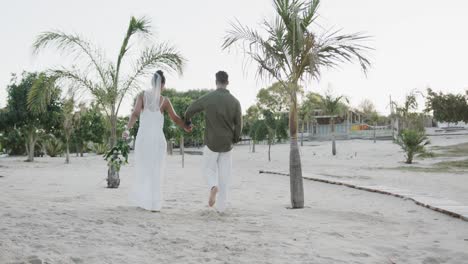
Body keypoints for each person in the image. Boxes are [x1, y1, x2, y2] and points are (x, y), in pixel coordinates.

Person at [123, 70, 191, 212]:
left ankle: (144, 201)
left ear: (152, 83)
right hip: (158, 140)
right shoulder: (165, 101)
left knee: (144, 169)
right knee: (156, 170)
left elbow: (135, 114)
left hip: (143, 139)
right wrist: (185, 126)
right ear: (163, 85)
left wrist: (127, 129)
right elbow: (175, 118)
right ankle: (153, 203)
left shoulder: (142, 96)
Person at [185, 71, 242, 212]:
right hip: (227, 144)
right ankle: (221, 208)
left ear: (216, 82)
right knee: (225, 177)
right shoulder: (235, 102)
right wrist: (235, 139)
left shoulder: (208, 98)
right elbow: (239, 124)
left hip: (211, 142)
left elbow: (189, 110)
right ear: (227, 82)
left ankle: (212, 186)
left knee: (207, 169)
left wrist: (188, 121)